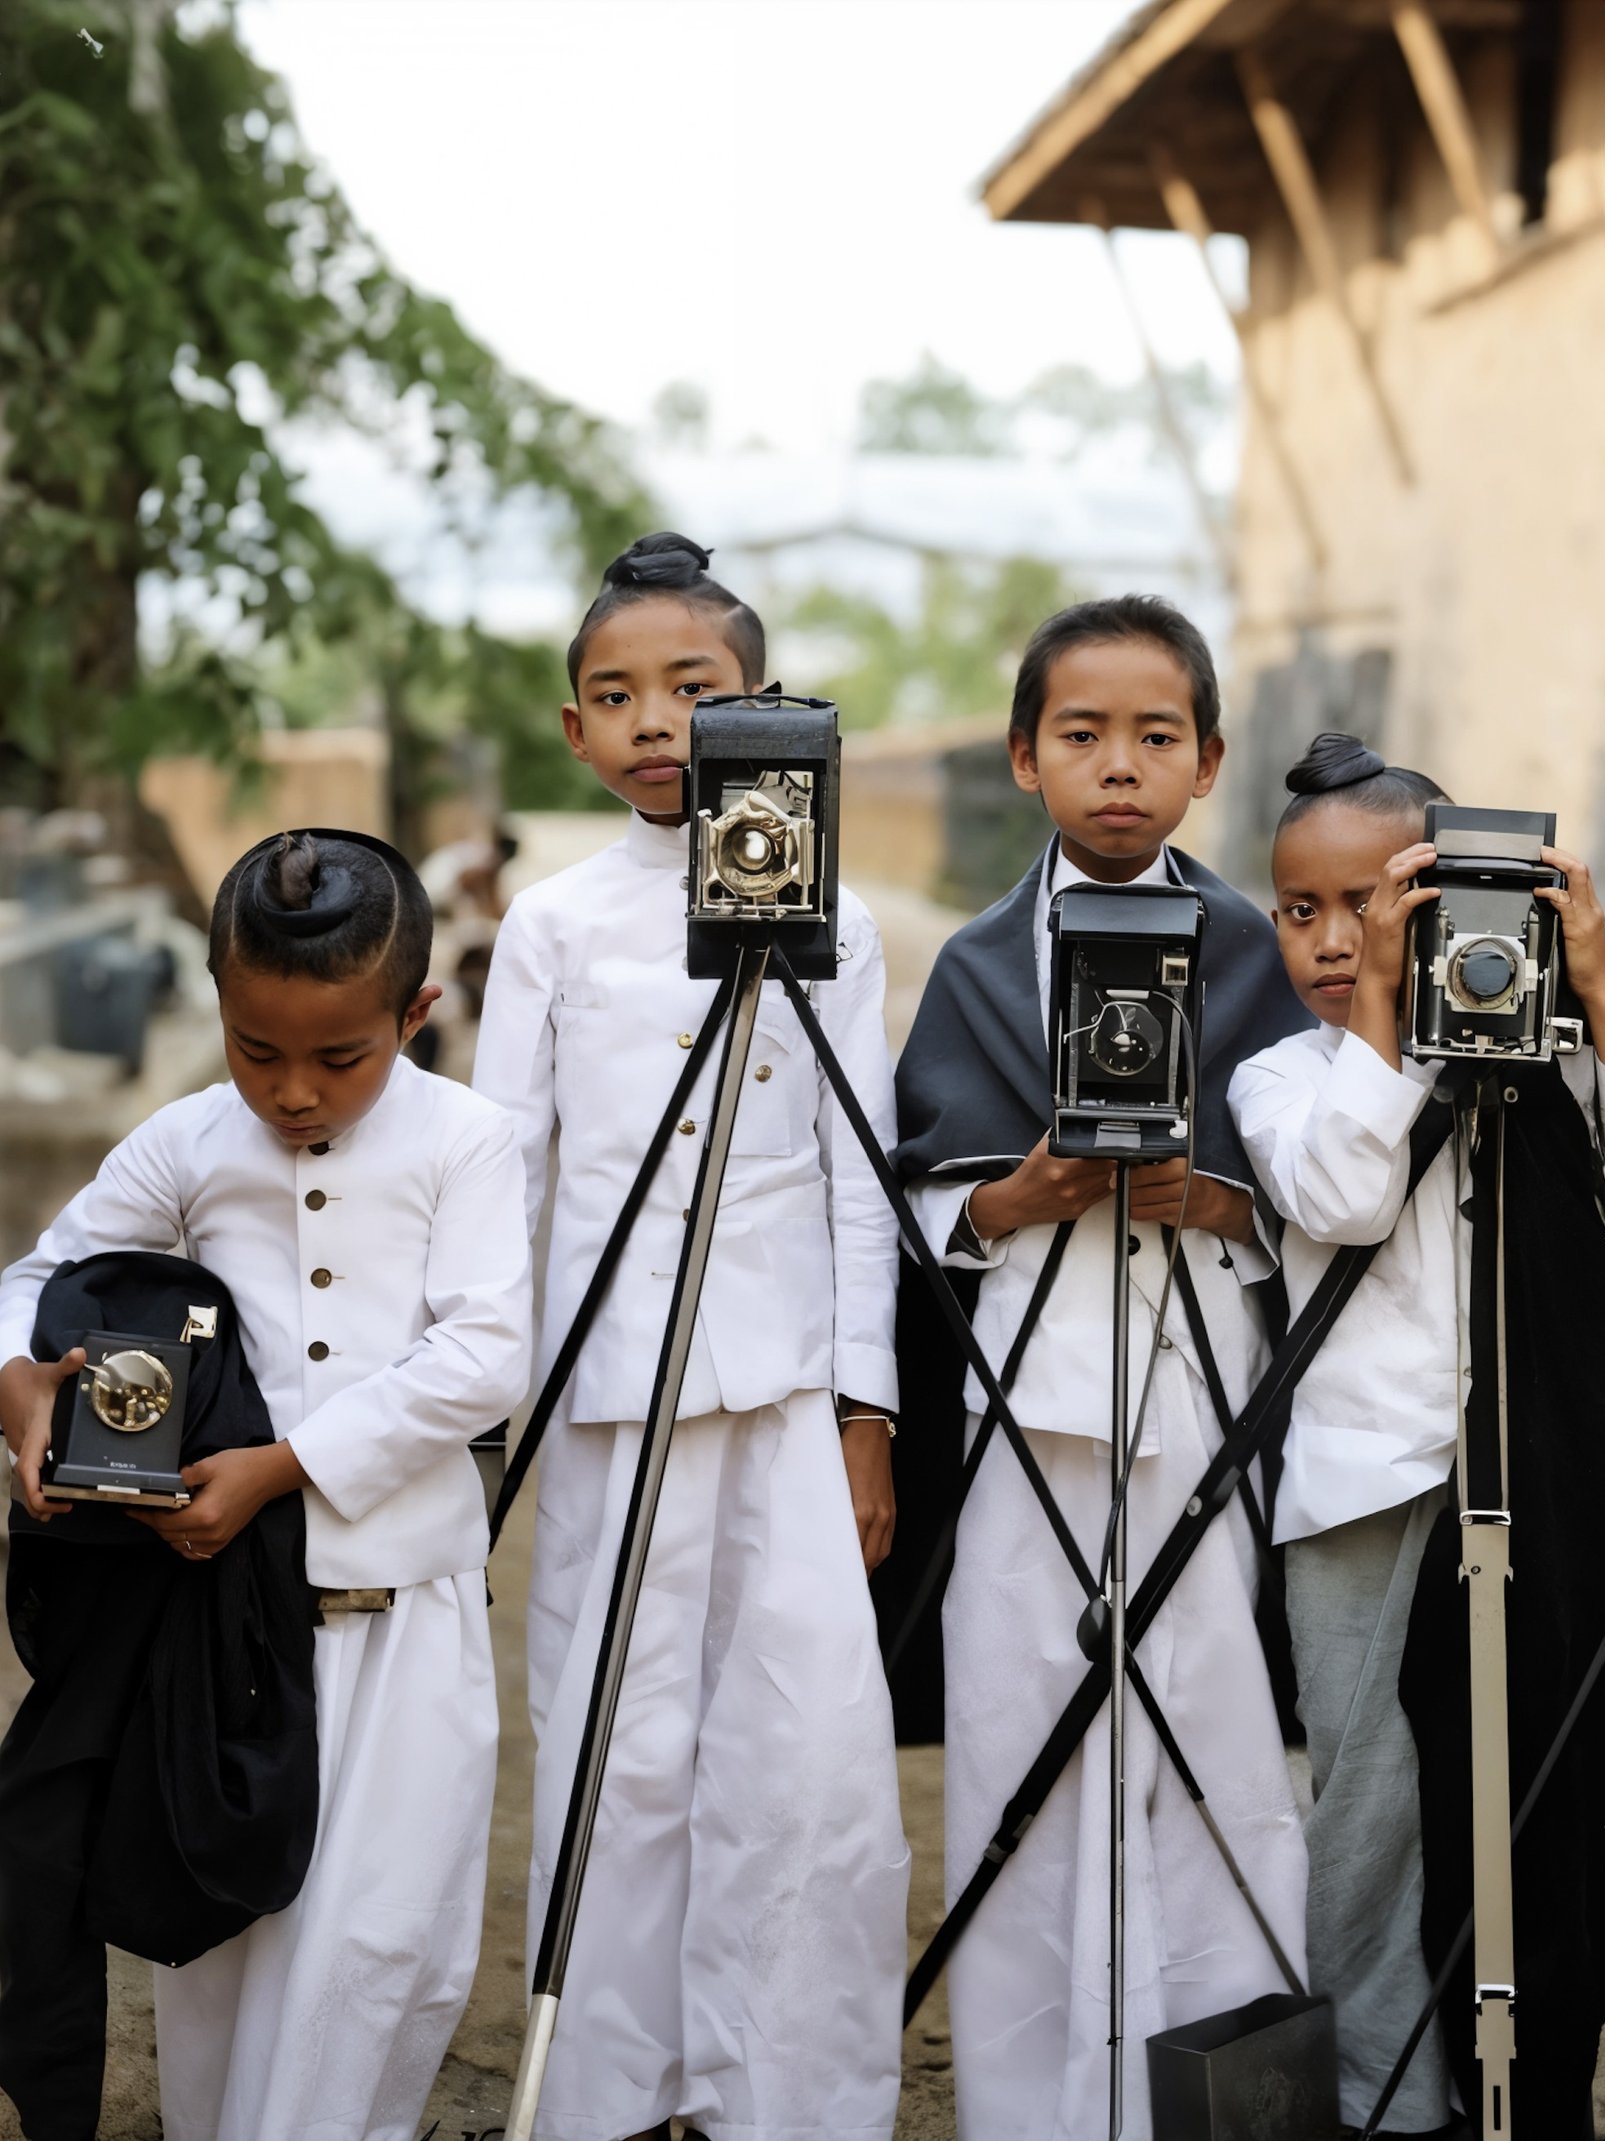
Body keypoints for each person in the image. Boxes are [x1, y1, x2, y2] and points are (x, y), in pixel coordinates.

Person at [472, 531, 907, 2141]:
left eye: (692, 688)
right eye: (616, 695)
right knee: (619, 1741)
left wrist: (869, 1409)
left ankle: (783, 2094)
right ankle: (610, 2094)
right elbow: (504, 1172)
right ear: (575, 731)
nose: (656, 721)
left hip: (786, 1391)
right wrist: (488, 1402)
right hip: (606, 1398)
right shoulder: (551, 923)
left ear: (765, 708)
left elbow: (860, 1181)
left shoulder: (837, 919)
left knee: (804, 1754)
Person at [0, 828, 532, 2141]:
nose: (293, 1091)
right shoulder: (186, 1143)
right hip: (223, 1636)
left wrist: (286, 1467)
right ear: (222, 1003)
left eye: (340, 1057)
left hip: (403, 1614)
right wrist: (21, 1386)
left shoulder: (468, 1141)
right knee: (226, 1945)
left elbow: (484, 1355)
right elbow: (29, 1288)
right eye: (257, 1048)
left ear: (418, 1010)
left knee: (378, 1948)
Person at [1229, 734, 1605, 2134]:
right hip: (1366, 1483)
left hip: (1550, 1476)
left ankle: (1528, 2084)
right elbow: (1340, 1194)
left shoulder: (1558, 1052)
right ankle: (1392, 2100)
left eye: (1379, 905)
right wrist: (1389, 1003)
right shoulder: (1286, 1076)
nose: (1342, 938)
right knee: (1372, 1804)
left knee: (1545, 1785)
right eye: (1308, 912)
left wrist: (1595, 984)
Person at [893, 594, 1310, 2139]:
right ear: (1024, 757)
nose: (1117, 766)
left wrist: (1216, 1198)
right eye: (1082, 734)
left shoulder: (1264, 956)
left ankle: (1222, 2094)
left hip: (1204, 1400)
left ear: (1207, 760)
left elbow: (1313, 1189)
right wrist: (1024, 1192)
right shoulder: (978, 966)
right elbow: (929, 1190)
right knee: (1022, 1746)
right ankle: (1035, 2107)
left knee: (1217, 1748)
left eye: (1154, 736)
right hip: (1030, 1403)